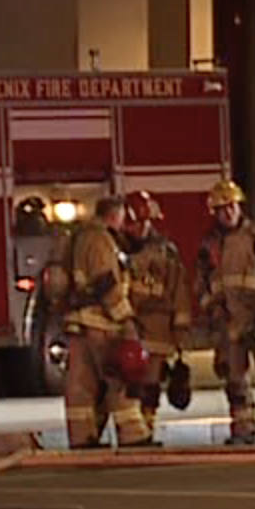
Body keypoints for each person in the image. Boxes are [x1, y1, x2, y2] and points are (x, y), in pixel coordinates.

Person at [196, 179, 255, 445]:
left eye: (231, 206)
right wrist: (212, 309)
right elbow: (201, 285)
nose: (227, 213)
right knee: (235, 381)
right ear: (214, 212)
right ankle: (242, 431)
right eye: (221, 209)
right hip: (229, 323)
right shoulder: (209, 246)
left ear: (240, 206)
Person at [61, 196, 153, 448]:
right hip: (101, 323)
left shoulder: (79, 237)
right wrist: (126, 318)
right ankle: (133, 434)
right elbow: (106, 284)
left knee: (82, 386)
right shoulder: (100, 240)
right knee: (119, 378)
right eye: (123, 217)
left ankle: (82, 438)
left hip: (78, 324)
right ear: (114, 215)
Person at [119, 190, 193, 437]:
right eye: (136, 223)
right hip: (125, 326)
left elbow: (179, 291)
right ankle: (131, 430)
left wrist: (180, 333)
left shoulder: (165, 252)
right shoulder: (115, 249)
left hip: (157, 328)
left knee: (150, 386)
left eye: (146, 222)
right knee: (124, 385)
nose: (141, 228)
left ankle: (146, 428)